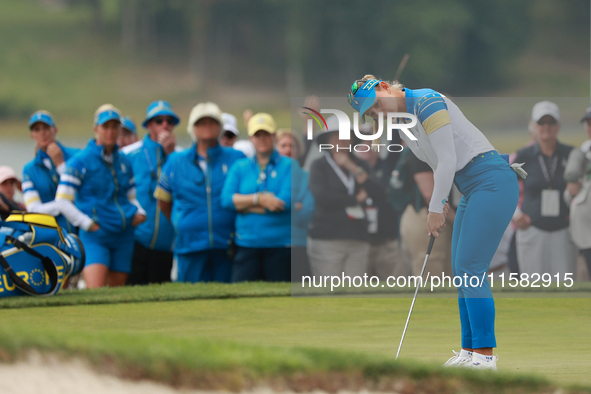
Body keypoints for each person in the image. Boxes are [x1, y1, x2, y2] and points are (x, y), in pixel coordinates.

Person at [348, 75, 523, 370]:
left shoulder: (428, 101)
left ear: (384, 87)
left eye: (378, 104)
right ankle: (469, 352)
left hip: (491, 180)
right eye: (372, 113)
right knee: (461, 270)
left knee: (471, 269)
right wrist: (440, 203)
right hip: (471, 187)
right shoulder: (404, 123)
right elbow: (432, 163)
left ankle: (485, 357)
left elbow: (446, 160)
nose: (379, 113)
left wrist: (435, 207)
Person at [55, 104, 147, 288]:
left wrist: (140, 211)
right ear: (96, 129)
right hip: (96, 235)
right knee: (95, 290)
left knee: (116, 292)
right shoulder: (80, 161)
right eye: (106, 127)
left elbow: (129, 197)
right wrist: (87, 224)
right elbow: (62, 200)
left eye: (115, 127)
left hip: (123, 235)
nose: (110, 132)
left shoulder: (124, 162)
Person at [154, 102, 244, 283]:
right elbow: (164, 200)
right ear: (192, 129)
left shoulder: (236, 158)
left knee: (226, 301)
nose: (207, 127)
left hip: (227, 244)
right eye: (201, 123)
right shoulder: (176, 161)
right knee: (192, 301)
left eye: (212, 122)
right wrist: (181, 223)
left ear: (220, 127)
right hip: (189, 245)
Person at [307, 116, 386, 278]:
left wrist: (352, 167)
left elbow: (379, 192)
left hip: (359, 238)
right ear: (327, 139)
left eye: (346, 135)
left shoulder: (360, 164)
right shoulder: (319, 166)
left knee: (355, 292)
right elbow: (323, 197)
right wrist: (355, 199)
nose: (342, 140)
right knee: (328, 292)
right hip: (327, 239)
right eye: (336, 135)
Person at [221, 113, 292, 282]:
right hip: (246, 245)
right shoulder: (240, 167)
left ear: (274, 136)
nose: (262, 139)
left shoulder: (290, 166)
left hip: (280, 246)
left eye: (266, 134)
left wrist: (242, 204)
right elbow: (226, 200)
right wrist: (259, 199)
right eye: (257, 135)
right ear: (250, 138)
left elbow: (283, 203)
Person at [512, 101, 577, 278]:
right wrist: (516, 215)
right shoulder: (524, 155)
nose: (546, 127)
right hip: (532, 229)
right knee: (534, 285)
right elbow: (504, 188)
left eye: (551, 122)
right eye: (541, 122)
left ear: (559, 126)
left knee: (565, 285)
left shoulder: (570, 154)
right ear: (534, 126)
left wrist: (576, 210)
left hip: (564, 230)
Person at [122, 101, 180, 285]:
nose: (165, 125)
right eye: (159, 120)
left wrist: (170, 155)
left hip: (166, 243)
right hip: (135, 241)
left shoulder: (180, 157)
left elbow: (184, 191)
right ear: (148, 125)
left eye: (169, 121)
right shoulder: (129, 154)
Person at [395, 146, 454, 277]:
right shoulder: (421, 150)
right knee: (431, 273)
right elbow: (431, 195)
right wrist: (459, 220)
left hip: (442, 216)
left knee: (447, 273)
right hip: (425, 216)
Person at [21, 111, 80, 232]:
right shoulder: (29, 170)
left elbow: (82, 192)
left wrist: (60, 165)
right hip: (51, 233)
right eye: (37, 130)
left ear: (55, 130)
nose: (42, 133)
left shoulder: (76, 155)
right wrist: (63, 205)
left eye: (46, 128)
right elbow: (33, 209)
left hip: (81, 228)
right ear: (32, 135)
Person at [276, 128, 314, 281]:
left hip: (298, 243)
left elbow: (307, 212)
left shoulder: (307, 177)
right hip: (273, 243)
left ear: (299, 151)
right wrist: (294, 206)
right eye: (283, 145)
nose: (288, 150)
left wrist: (282, 207)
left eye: (292, 146)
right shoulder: (269, 175)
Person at [563, 104, 591, 276]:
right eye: (588, 123)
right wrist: (572, 190)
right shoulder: (584, 151)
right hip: (585, 236)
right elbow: (572, 194)